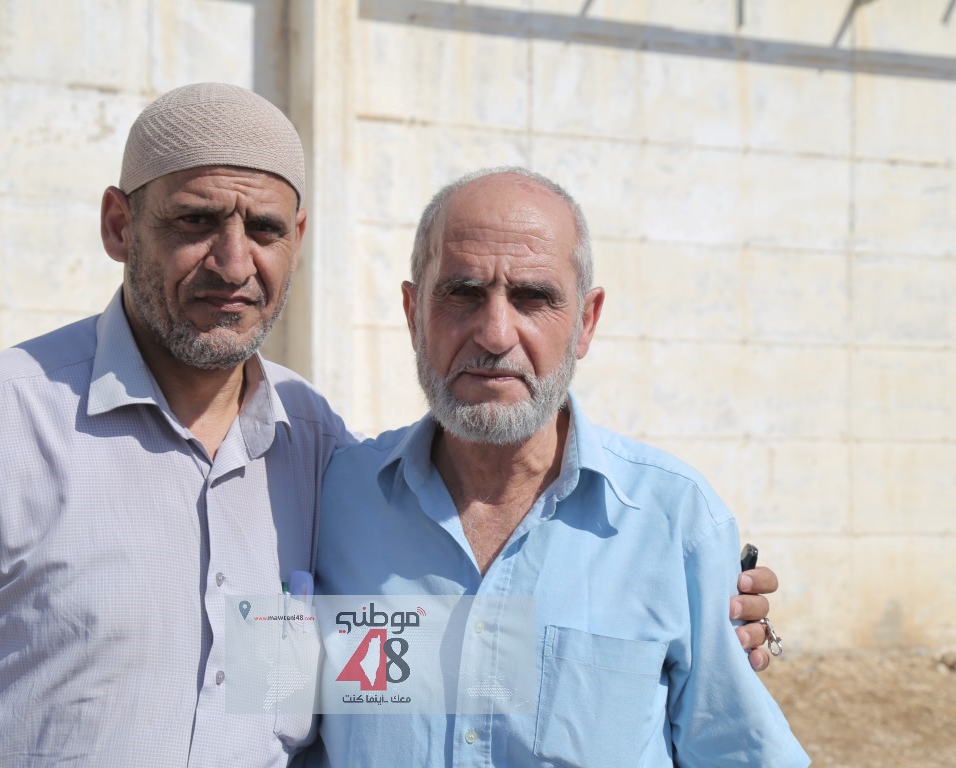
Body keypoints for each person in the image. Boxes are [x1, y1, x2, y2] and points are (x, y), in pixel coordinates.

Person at [0, 86, 781, 767]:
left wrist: (696, 616)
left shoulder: (314, 453)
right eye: (195, 222)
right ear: (118, 226)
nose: (233, 263)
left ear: (297, 242)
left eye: (264, 230)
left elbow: (398, 675)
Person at [308, 168, 809, 766]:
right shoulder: (332, 500)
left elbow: (737, 752)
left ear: (586, 323)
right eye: (463, 293)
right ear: (413, 312)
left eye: (533, 298)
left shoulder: (672, 523)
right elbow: (262, 715)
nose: (495, 334)